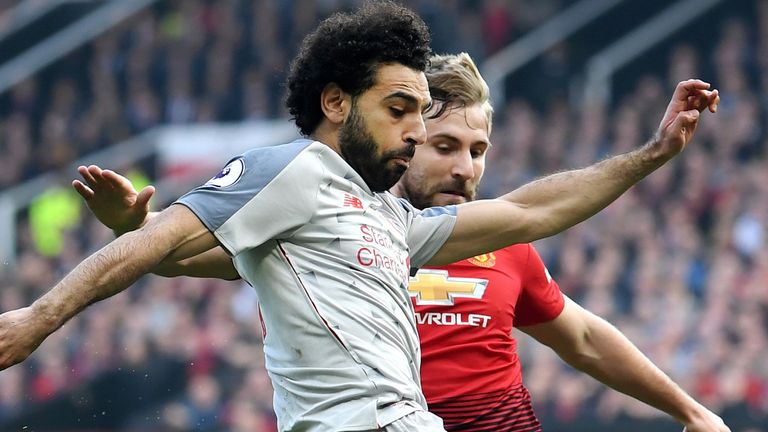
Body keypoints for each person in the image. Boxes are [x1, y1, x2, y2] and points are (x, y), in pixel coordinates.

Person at [0, 1, 719, 431]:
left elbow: (536, 211)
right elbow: (175, 242)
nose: (414, 135)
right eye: (403, 114)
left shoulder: (389, 222)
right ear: (339, 104)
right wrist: (37, 317)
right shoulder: (287, 171)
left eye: (475, 146)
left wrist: (653, 153)